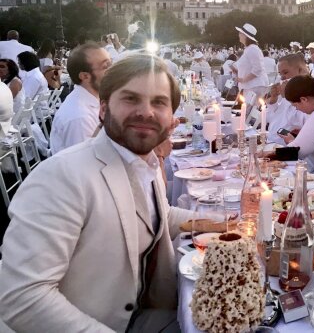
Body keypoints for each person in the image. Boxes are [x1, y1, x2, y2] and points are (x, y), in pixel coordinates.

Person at [0, 53, 196, 332]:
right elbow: (23, 297)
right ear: (103, 109)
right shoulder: (61, 177)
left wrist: (226, 222)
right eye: (130, 99)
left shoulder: (143, 162)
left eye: (159, 102)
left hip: (148, 313)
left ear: (171, 117)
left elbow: (160, 214)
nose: (146, 111)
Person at [50, 43, 112, 154]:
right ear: (85, 76)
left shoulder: (95, 99)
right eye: (106, 66)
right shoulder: (79, 118)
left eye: (111, 63)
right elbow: (85, 164)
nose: (113, 70)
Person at [265, 53, 308, 145]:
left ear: (300, 70)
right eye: (280, 74)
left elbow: (299, 122)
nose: (282, 77)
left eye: (285, 72)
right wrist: (273, 100)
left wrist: (289, 97)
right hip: (271, 141)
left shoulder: (308, 93)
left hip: (287, 148)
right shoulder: (289, 89)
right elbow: (271, 119)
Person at [230, 23, 268, 97]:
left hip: (255, 86)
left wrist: (243, 79)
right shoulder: (249, 49)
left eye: (240, 33)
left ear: (245, 36)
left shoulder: (253, 49)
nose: (239, 35)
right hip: (251, 86)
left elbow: (258, 69)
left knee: (252, 108)